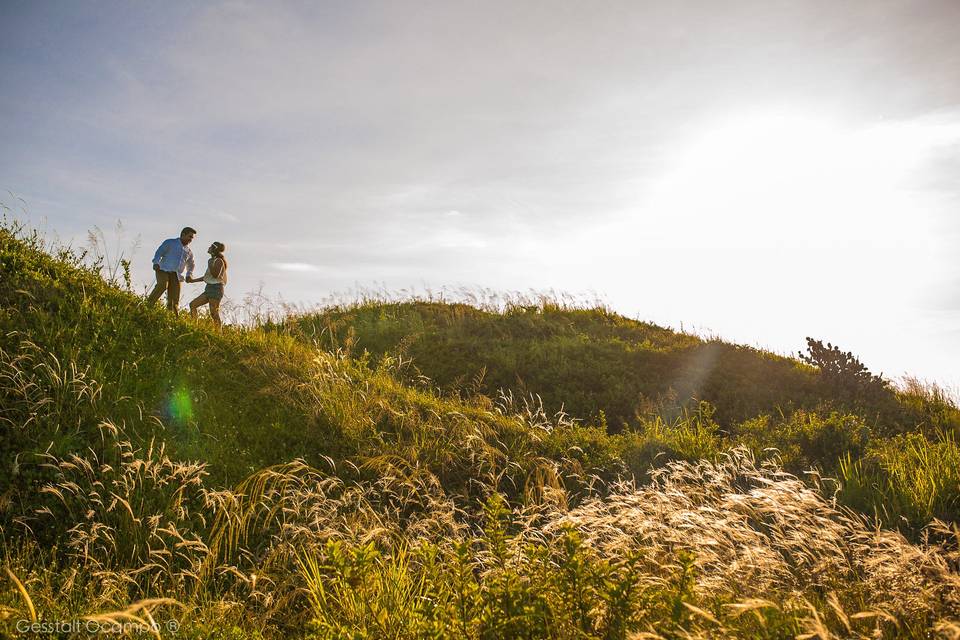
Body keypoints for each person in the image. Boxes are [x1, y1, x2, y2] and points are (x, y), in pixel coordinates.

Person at [147, 227, 196, 314]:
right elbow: (159, 252)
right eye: (189, 236)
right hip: (163, 269)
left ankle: (171, 318)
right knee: (162, 285)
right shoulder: (170, 242)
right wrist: (156, 262)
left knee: (174, 299)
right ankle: (147, 306)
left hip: (176, 275)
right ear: (183, 234)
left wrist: (189, 274)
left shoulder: (189, 252)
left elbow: (191, 265)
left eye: (192, 238)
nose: (191, 239)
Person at [188, 241, 228, 326]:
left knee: (214, 313)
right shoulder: (212, 260)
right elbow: (207, 277)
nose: (208, 248)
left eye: (210, 247)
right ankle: (194, 327)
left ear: (214, 249)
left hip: (216, 288)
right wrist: (193, 280)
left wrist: (210, 263)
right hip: (209, 288)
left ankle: (218, 334)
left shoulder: (218, 261)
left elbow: (215, 275)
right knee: (193, 305)